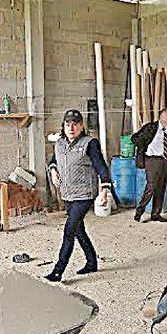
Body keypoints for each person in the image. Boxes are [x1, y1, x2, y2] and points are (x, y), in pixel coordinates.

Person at [45, 109, 112, 282]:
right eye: (68, 124)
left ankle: (58, 271)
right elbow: (54, 161)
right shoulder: (59, 143)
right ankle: (92, 262)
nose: (71, 128)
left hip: (84, 194)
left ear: (82, 126)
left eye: (75, 124)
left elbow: (100, 166)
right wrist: (53, 171)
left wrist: (105, 189)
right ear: (64, 126)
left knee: (69, 230)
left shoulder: (90, 143)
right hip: (67, 194)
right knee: (78, 230)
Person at [131, 107, 167, 223]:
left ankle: (156, 214)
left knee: (161, 188)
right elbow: (134, 138)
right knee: (151, 187)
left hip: (164, 161)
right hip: (152, 161)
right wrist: (143, 146)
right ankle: (139, 212)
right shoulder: (151, 128)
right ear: (161, 117)